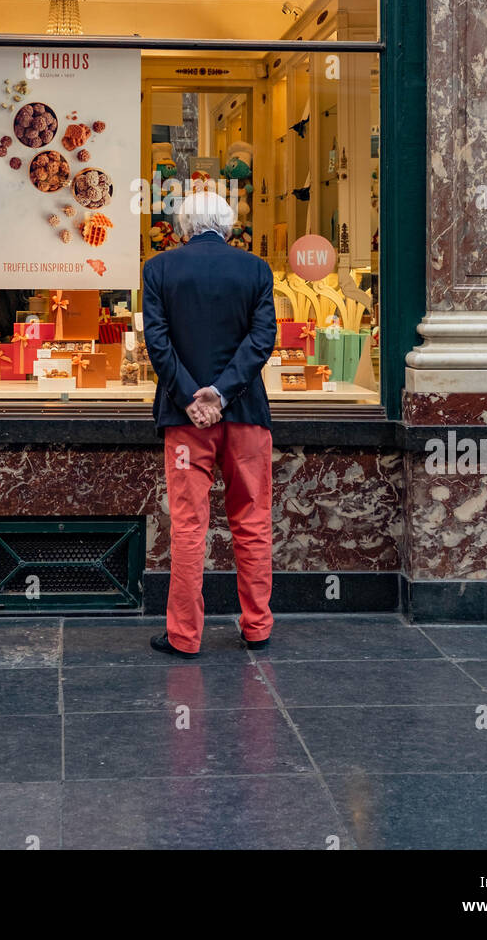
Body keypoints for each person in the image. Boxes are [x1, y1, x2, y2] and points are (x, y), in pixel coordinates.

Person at [142, 189, 277, 658]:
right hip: (246, 416)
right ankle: (257, 626)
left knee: (188, 524)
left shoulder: (158, 269)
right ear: (228, 223)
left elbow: (157, 345)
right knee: (253, 519)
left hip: (185, 423)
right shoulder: (256, 269)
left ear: (182, 226)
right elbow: (263, 340)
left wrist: (192, 398)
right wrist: (221, 394)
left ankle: (184, 634)